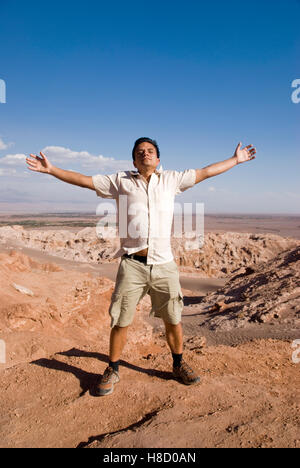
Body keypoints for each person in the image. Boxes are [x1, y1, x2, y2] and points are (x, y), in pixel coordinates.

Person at [26, 137, 256, 396]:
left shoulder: (172, 179)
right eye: (140, 152)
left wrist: (236, 160)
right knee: (121, 321)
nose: (145, 154)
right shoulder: (119, 181)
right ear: (134, 160)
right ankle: (112, 369)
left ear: (158, 160)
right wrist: (51, 169)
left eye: (150, 151)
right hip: (132, 264)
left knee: (173, 319)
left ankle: (178, 365)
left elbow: (205, 172)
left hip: (164, 264)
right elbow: (83, 179)